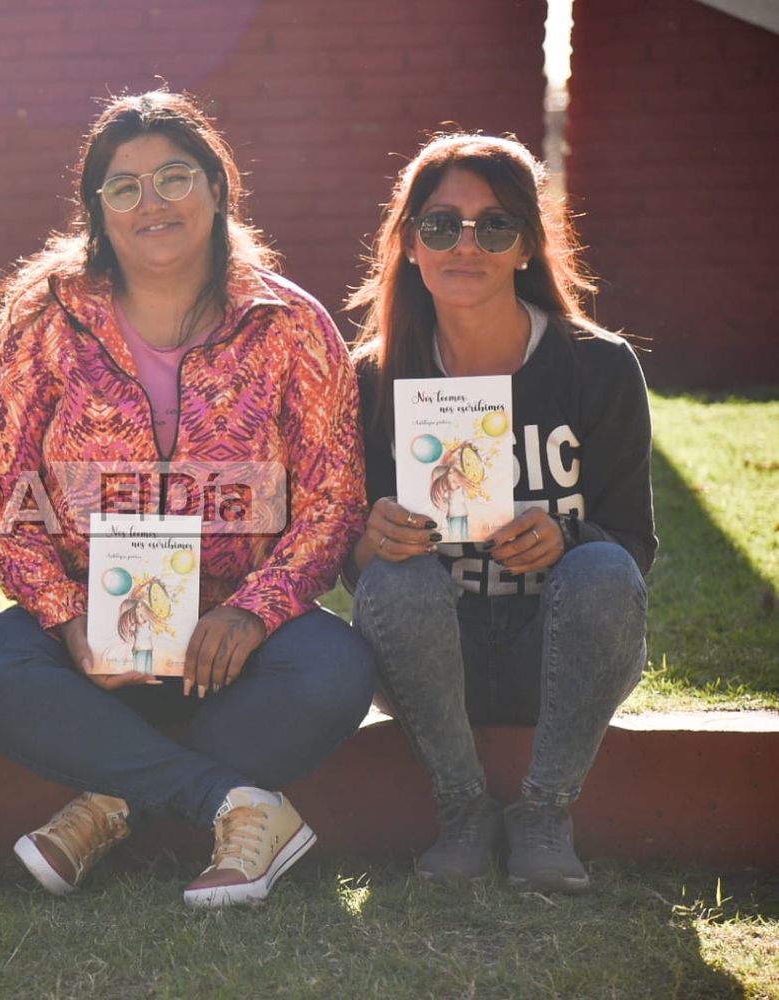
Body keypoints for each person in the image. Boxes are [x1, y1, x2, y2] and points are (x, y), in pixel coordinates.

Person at [0, 91, 375, 909]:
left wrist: (253, 613)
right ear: (97, 211)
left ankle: (110, 805)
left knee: (336, 666)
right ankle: (234, 805)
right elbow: (1, 493)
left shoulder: (293, 326)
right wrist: (69, 621)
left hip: (233, 646)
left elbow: (332, 501)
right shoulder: (45, 318)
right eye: (124, 186)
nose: (153, 203)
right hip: (92, 649)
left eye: (175, 177)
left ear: (218, 187)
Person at [344, 133, 655, 893]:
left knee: (605, 569)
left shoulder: (600, 365)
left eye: (495, 226)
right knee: (393, 581)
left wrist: (568, 535)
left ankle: (544, 813)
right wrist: (367, 537)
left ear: (527, 247)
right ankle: (462, 810)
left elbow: (632, 549)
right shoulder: (372, 378)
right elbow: (342, 561)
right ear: (410, 244)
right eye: (441, 224)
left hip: (557, 660)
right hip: (428, 663)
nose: (466, 245)